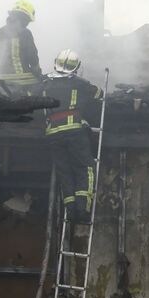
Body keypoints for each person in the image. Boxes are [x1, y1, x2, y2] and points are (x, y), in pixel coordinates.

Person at [42, 49, 103, 222]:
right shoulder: (79, 83)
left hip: (53, 133)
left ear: (56, 63)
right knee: (86, 167)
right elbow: (99, 93)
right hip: (74, 132)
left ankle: (70, 209)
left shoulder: (45, 83)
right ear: (76, 67)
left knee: (64, 171)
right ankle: (83, 209)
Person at [0, 0, 42, 96]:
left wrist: (6, 74)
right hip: (24, 84)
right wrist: (38, 73)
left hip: (3, 84)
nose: (26, 24)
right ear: (22, 19)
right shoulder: (25, 33)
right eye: (26, 21)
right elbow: (33, 58)